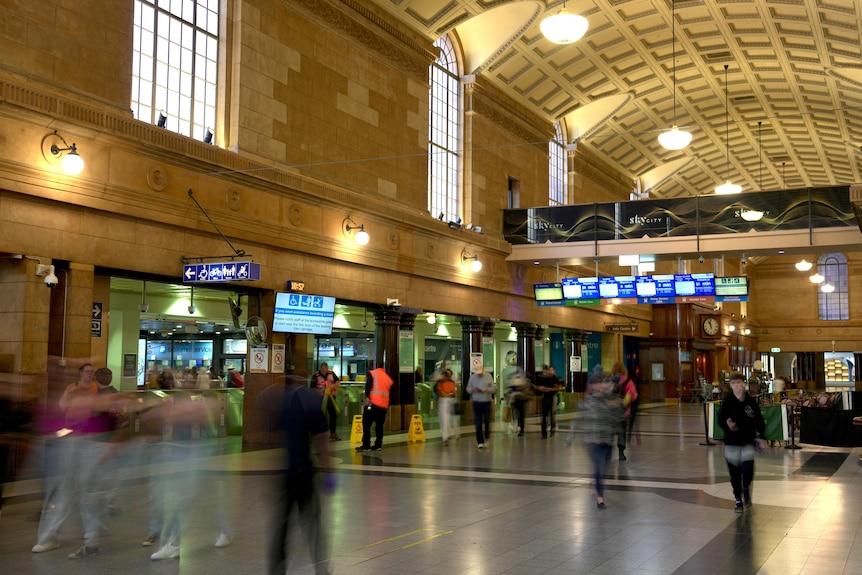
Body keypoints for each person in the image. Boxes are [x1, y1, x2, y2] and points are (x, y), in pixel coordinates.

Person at [266, 375, 335, 575]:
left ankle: (276, 570)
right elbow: (321, 441)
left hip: (287, 472)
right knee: (313, 524)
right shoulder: (311, 402)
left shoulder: (285, 402)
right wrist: (329, 471)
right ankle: (322, 569)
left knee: (283, 526)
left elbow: (279, 438)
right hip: (304, 472)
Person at [718, 372, 766, 512]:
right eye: (733, 383)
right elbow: (721, 419)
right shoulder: (728, 402)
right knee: (734, 473)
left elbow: (758, 420)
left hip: (747, 441)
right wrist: (728, 425)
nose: (736, 386)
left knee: (747, 470)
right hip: (732, 442)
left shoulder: (750, 402)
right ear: (731, 386)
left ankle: (746, 488)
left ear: (743, 384)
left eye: (739, 383)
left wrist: (762, 436)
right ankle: (738, 498)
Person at [581, 376, 624, 509]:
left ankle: (595, 482)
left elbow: (618, 419)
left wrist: (616, 405)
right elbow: (581, 418)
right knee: (599, 466)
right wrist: (570, 439)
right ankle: (600, 498)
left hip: (608, 439)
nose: (602, 385)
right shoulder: (589, 400)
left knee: (605, 466)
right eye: (598, 383)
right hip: (593, 440)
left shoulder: (612, 399)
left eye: (604, 383)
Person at [356, 367, 394, 452]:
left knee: (366, 423)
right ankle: (378, 445)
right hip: (383, 405)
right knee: (379, 425)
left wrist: (367, 397)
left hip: (373, 403)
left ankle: (366, 445)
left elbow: (368, 385)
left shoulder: (373, 373)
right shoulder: (387, 377)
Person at [610, 362, 637, 460]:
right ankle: (621, 452)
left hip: (611, 411)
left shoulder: (609, 380)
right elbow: (633, 395)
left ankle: (607, 452)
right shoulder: (627, 381)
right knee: (621, 432)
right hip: (622, 411)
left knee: (610, 432)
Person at [465, 366, 494, 449]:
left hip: (486, 402)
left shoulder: (488, 376)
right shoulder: (472, 377)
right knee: (478, 422)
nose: (479, 375)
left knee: (487, 421)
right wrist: (472, 389)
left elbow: (494, 388)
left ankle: (487, 437)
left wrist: (487, 389)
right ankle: (480, 441)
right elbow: (468, 389)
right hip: (476, 402)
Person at [311, 363, 341, 441]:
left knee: (333, 414)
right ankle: (319, 433)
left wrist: (332, 387)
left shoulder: (331, 373)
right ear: (320, 369)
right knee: (320, 415)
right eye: (323, 370)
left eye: (326, 370)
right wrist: (322, 390)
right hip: (320, 398)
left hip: (331, 397)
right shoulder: (316, 376)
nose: (325, 372)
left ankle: (333, 433)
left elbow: (338, 381)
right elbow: (312, 388)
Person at [535, 365, 562, 438]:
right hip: (544, 397)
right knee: (544, 415)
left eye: (550, 370)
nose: (546, 372)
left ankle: (552, 427)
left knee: (551, 413)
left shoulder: (554, 378)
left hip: (552, 397)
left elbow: (556, 388)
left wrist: (549, 389)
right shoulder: (542, 378)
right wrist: (541, 388)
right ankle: (544, 433)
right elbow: (538, 387)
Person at [504, 367, 532, 437]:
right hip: (517, 398)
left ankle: (519, 427)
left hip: (519, 398)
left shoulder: (516, 378)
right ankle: (519, 427)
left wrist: (508, 397)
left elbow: (509, 389)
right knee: (518, 414)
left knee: (519, 414)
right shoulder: (521, 378)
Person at [434, 368, 457, 446]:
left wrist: (447, 394)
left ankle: (446, 437)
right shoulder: (440, 383)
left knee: (448, 420)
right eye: (446, 374)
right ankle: (445, 437)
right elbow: (441, 393)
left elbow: (453, 393)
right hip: (443, 402)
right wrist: (448, 394)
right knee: (444, 420)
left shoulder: (452, 383)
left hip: (449, 402)